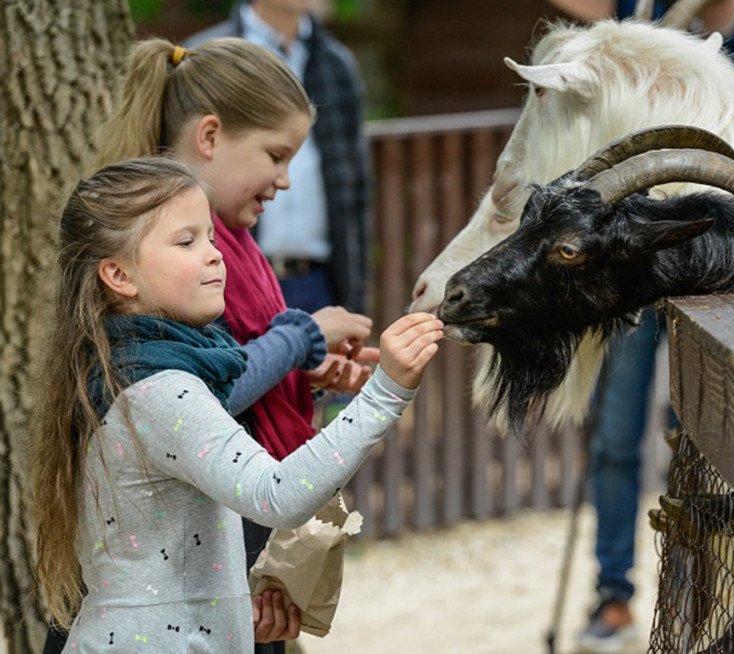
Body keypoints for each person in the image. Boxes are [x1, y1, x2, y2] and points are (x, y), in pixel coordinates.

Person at [41, 37, 374, 653]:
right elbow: (208, 388)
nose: (285, 178)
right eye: (275, 154)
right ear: (211, 136)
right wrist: (303, 341)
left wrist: (306, 369)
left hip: (211, 563)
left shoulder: (216, 250)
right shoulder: (171, 268)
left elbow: (222, 372)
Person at [29, 156, 442, 652]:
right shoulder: (157, 391)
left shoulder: (136, 371)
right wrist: (387, 391)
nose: (214, 255)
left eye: (210, 237)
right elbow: (276, 495)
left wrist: (226, 609)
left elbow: (162, 565)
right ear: (118, 275)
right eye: (187, 242)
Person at [544, 1, 734, 650]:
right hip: (634, 270)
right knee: (613, 433)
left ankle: (691, 588)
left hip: (712, 279)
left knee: (691, 440)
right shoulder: (653, 21)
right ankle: (613, 595)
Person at [184, 0, 371, 317]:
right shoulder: (207, 55)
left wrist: (354, 295)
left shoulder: (336, 63)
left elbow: (356, 186)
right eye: (274, 156)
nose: (282, 179)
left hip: (319, 277)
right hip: (231, 270)